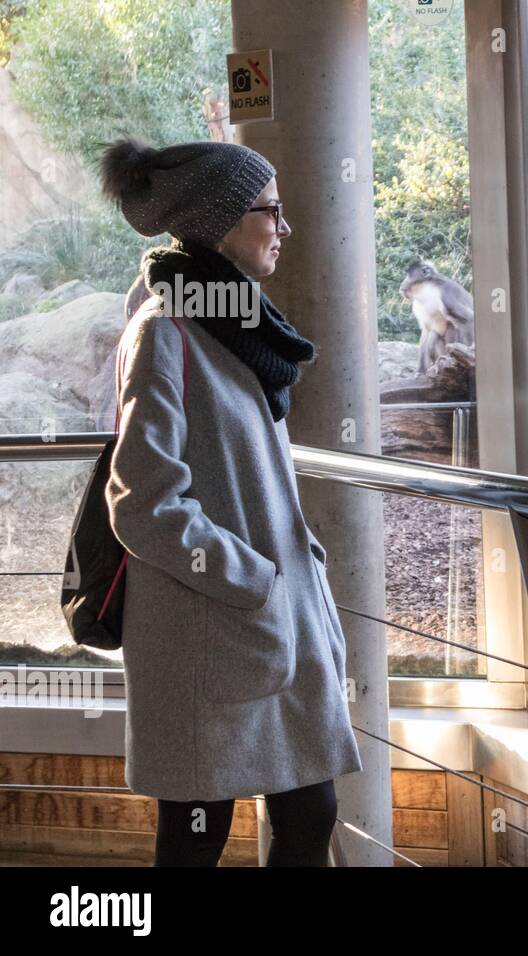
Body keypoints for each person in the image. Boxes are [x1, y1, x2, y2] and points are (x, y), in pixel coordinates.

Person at [99, 137, 363, 866]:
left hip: (265, 625)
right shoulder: (165, 332)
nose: (284, 227)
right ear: (221, 221)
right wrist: (252, 578)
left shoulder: (233, 326)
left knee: (310, 811)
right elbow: (142, 502)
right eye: (270, 211)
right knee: (196, 835)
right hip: (211, 630)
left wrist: (286, 574)